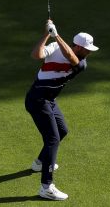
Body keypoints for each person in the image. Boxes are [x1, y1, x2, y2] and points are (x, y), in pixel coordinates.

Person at [25, 19, 99, 201]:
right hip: (37, 99)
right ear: (79, 46)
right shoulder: (55, 47)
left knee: (62, 131)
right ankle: (46, 187)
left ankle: (39, 163)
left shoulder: (81, 63)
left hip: (49, 100)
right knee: (53, 138)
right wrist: (46, 34)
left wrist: (56, 35)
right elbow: (36, 55)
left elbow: (71, 58)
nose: (89, 52)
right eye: (88, 49)